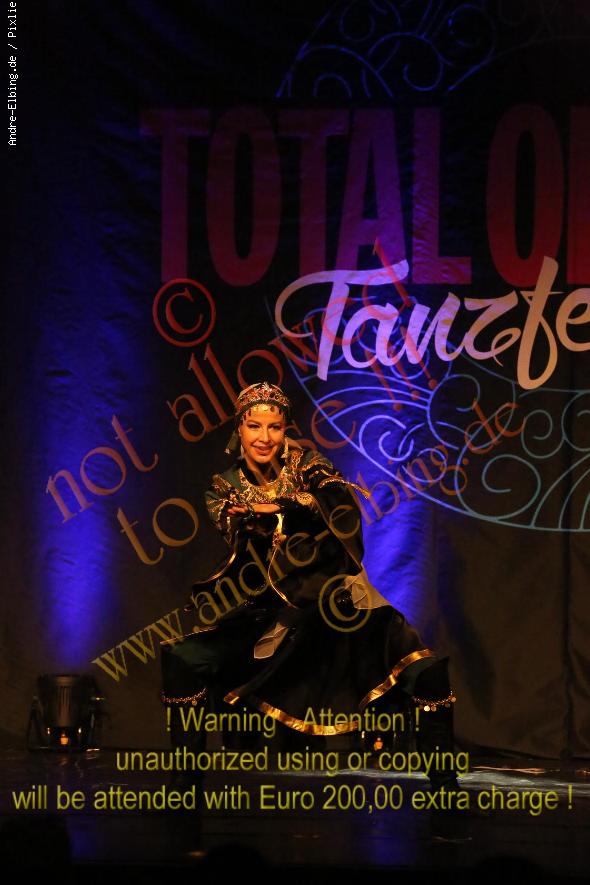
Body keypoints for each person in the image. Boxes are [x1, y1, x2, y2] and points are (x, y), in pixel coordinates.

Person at [160, 381, 458, 791]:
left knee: (424, 670)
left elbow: (337, 501)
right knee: (183, 659)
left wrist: (292, 504)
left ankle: (446, 789)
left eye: (275, 427)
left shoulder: (308, 464)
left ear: (285, 430)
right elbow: (237, 524)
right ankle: (183, 789)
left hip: (338, 605)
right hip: (274, 614)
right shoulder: (223, 487)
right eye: (254, 426)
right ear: (239, 429)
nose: (264, 437)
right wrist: (264, 515)